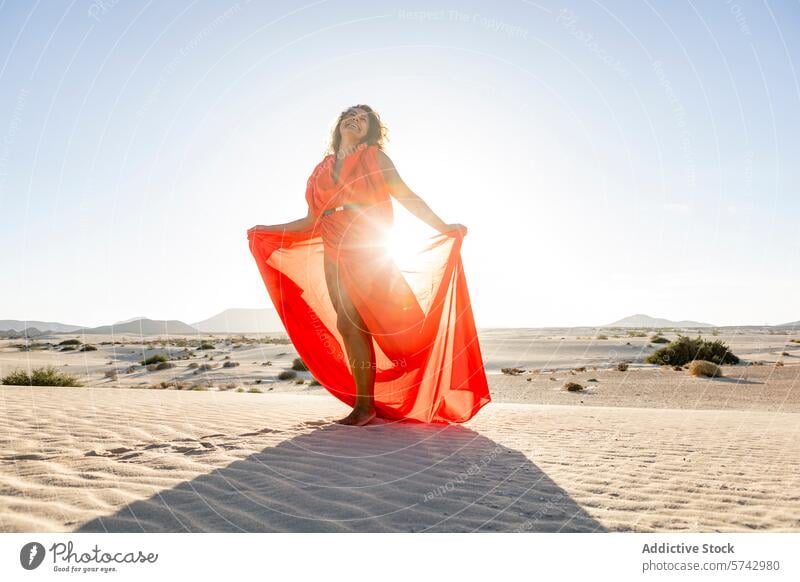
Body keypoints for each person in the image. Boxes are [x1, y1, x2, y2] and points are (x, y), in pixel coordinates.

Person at [248, 105, 489, 426]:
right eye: (351, 115)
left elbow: (406, 196)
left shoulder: (374, 157)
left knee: (386, 326)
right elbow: (310, 221)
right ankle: (365, 406)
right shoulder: (321, 171)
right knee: (348, 325)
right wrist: (267, 230)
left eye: (364, 118)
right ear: (338, 126)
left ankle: (405, 386)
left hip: (368, 243)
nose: (355, 119)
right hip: (333, 247)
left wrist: (443, 227)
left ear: (372, 130)